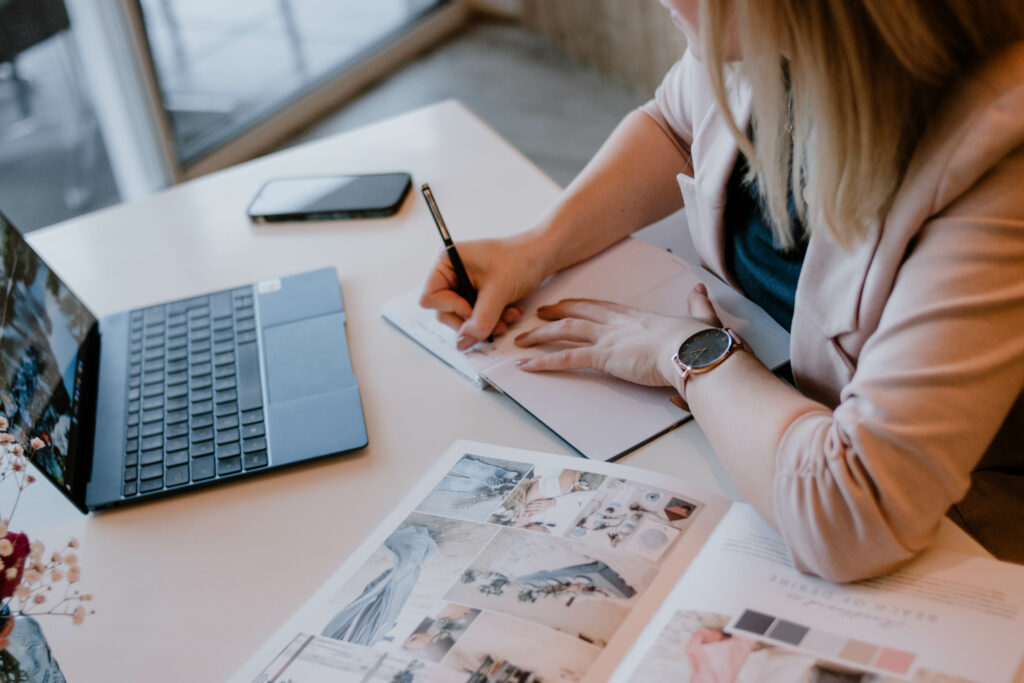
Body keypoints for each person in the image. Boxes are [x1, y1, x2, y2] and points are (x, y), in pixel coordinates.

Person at [420, 0, 1024, 582]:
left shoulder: (999, 164)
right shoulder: (775, 44)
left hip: (961, 528)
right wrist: (538, 244)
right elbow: (674, 124)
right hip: (769, 434)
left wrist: (688, 355)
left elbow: (849, 512)